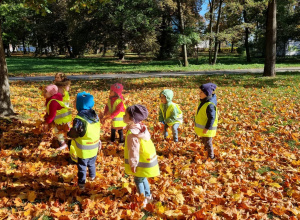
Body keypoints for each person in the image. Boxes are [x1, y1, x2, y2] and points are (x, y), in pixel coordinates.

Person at [123, 105, 160, 208]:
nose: (123, 116)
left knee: (138, 180)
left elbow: (134, 151)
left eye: (125, 115)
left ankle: (142, 200)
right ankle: (148, 196)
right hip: (145, 160)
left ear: (132, 119)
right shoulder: (140, 128)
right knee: (143, 178)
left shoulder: (132, 134)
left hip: (139, 162)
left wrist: (133, 164)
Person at [67, 92, 101, 189]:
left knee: (82, 166)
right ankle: (92, 177)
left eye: (75, 102)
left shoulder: (79, 119)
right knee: (91, 163)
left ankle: (81, 184)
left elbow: (75, 132)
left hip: (84, 149)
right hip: (94, 146)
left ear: (80, 104)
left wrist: (69, 134)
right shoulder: (95, 115)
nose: (73, 103)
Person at [43, 84, 72, 150]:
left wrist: (47, 123)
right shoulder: (50, 100)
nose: (43, 93)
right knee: (65, 131)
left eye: (45, 92)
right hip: (61, 118)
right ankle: (70, 139)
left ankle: (63, 144)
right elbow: (49, 111)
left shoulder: (53, 102)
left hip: (63, 119)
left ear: (51, 93)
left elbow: (52, 115)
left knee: (59, 131)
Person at [194, 83, 218, 159]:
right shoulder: (203, 101)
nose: (199, 93)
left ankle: (211, 156)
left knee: (208, 142)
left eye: (201, 92)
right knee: (204, 141)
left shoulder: (209, 105)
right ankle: (206, 151)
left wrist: (207, 128)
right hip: (204, 128)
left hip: (208, 129)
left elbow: (211, 118)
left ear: (207, 93)